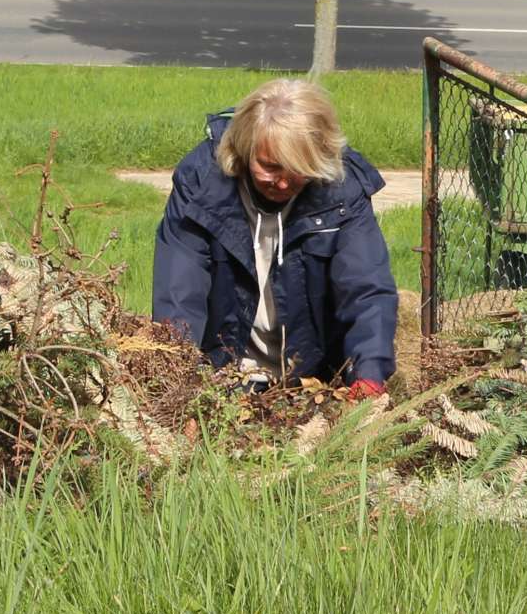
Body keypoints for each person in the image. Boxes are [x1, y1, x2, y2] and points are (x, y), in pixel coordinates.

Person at [152, 78, 398, 397]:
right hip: (222, 377)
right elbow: (178, 294)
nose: (281, 184)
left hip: (315, 378)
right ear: (244, 147)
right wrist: (179, 384)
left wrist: (368, 376)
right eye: (269, 167)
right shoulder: (201, 183)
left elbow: (367, 290)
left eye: (296, 170)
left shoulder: (343, 191)